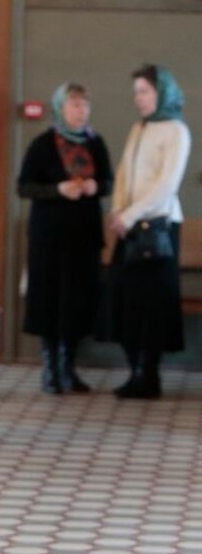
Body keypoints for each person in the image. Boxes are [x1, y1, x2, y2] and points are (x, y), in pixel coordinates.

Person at [99, 64, 190, 399]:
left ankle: (148, 375)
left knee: (153, 305)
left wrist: (131, 214)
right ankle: (134, 370)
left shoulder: (176, 130)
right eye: (136, 92)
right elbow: (124, 173)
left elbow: (166, 185)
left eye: (144, 91)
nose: (138, 98)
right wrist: (117, 210)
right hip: (129, 228)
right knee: (125, 300)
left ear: (161, 92)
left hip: (158, 228)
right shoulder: (139, 127)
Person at [17, 82, 113, 393]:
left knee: (78, 301)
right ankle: (50, 370)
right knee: (50, 299)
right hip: (49, 236)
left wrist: (95, 187)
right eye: (74, 105)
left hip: (84, 235)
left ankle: (68, 367)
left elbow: (108, 181)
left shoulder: (95, 142)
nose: (80, 111)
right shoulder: (44, 144)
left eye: (85, 105)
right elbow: (24, 186)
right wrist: (58, 189)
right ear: (61, 107)